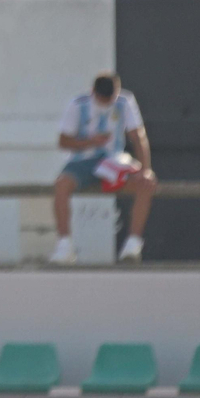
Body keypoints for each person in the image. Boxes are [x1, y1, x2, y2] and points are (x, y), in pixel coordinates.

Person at [51, 74, 156, 265]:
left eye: (111, 100)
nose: (107, 104)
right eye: (103, 100)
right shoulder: (78, 105)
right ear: (93, 93)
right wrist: (91, 141)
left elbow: (138, 136)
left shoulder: (125, 101)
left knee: (146, 183)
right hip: (82, 161)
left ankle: (132, 245)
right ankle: (64, 246)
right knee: (61, 184)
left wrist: (145, 169)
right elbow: (63, 141)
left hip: (113, 161)